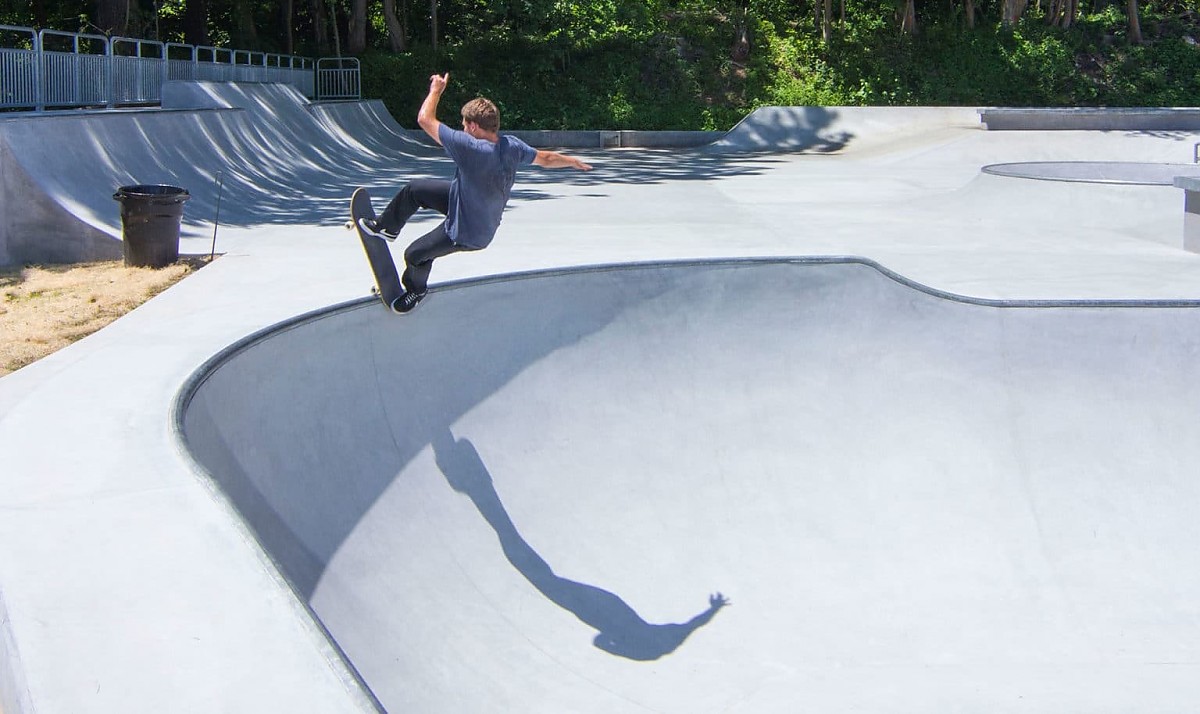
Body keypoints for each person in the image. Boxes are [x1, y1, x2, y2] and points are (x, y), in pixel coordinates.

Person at [359, 73, 593, 314]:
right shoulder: (511, 145)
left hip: (467, 232)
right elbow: (545, 158)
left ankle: (416, 290)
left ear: (473, 126)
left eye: (463, 124)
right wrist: (572, 161)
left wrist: (437, 90)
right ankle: (388, 227)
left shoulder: (469, 147)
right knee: (415, 190)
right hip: (466, 202)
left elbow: (424, 119)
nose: (461, 127)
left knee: (415, 254)